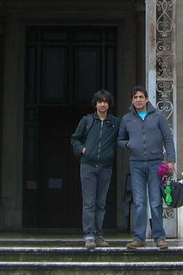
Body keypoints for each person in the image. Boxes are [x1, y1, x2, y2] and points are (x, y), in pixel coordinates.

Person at [117, 86, 175, 251]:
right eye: (135, 97)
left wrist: (171, 160)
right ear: (132, 100)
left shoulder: (158, 116)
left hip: (155, 163)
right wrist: (128, 144)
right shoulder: (127, 119)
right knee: (140, 202)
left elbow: (167, 138)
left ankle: (159, 237)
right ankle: (139, 237)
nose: (138, 100)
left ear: (147, 99)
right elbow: (120, 139)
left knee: (156, 201)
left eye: (141, 97)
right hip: (136, 163)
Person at [70, 89, 120, 250]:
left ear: (109, 104)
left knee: (101, 203)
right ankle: (89, 235)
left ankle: (98, 235)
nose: (103, 104)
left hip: (105, 166)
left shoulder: (114, 123)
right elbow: (75, 139)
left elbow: (123, 137)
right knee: (89, 203)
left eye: (105, 101)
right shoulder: (87, 121)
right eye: (100, 101)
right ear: (95, 104)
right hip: (88, 166)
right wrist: (83, 150)